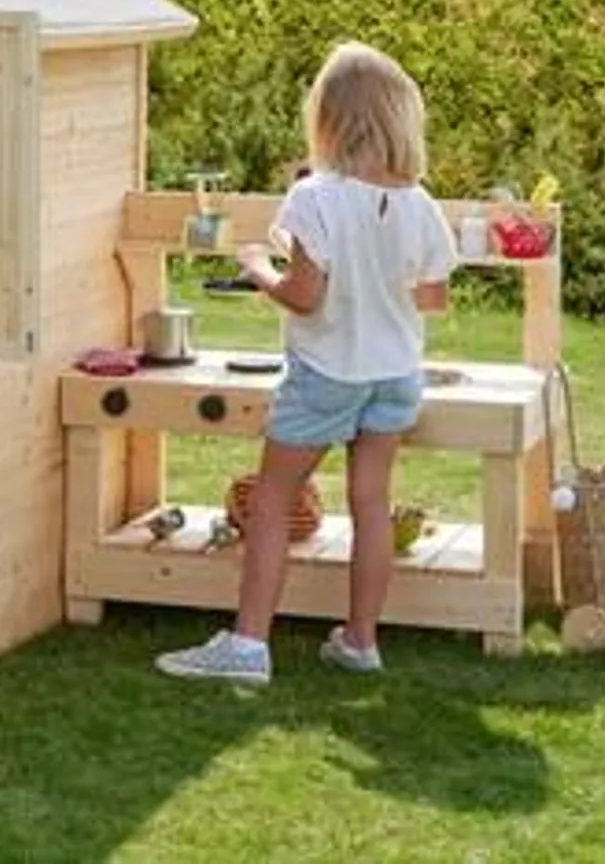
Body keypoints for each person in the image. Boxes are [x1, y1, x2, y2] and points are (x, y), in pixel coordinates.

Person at [156, 42, 457, 688]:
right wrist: (380, 279)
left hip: (328, 375)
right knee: (372, 505)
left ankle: (247, 645)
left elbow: (304, 295)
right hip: (395, 374)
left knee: (270, 501)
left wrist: (258, 266)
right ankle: (359, 641)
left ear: (328, 120)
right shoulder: (422, 204)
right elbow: (432, 299)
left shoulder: (313, 197)